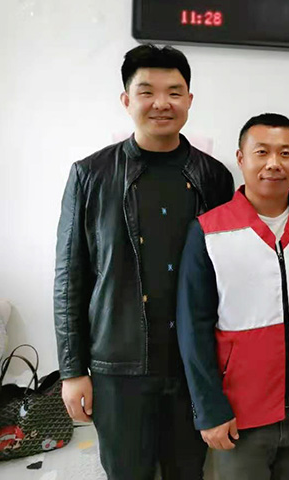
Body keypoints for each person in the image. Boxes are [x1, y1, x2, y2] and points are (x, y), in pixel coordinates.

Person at [54, 44, 234, 480]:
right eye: (147, 91)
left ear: (189, 99)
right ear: (126, 100)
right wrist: (72, 371)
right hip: (119, 368)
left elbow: (230, 274)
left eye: (174, 92)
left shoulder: (214, 177)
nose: (161, 103)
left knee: (188, 473)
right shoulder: (90, 175)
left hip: (192, 366)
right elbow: (69, 278)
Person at [177, 113, 289, 480]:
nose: (274, 163)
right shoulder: (209, 231)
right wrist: (209, 409)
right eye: (262, 152)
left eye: (286, 153)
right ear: (241, 158)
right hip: (239, 413)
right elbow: (192, 328)